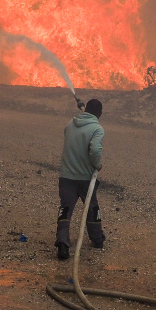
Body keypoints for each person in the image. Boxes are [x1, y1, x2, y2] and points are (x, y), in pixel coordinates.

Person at [55, 98, 105, 260]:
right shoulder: (97, 129)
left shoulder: (70, 124)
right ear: (99, 113)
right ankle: (97, 239)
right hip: (85, 178)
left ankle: (62, 243)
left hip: (66, 176)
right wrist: (97, 165)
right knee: (92, 208)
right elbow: (95, 150)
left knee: (65, 210)